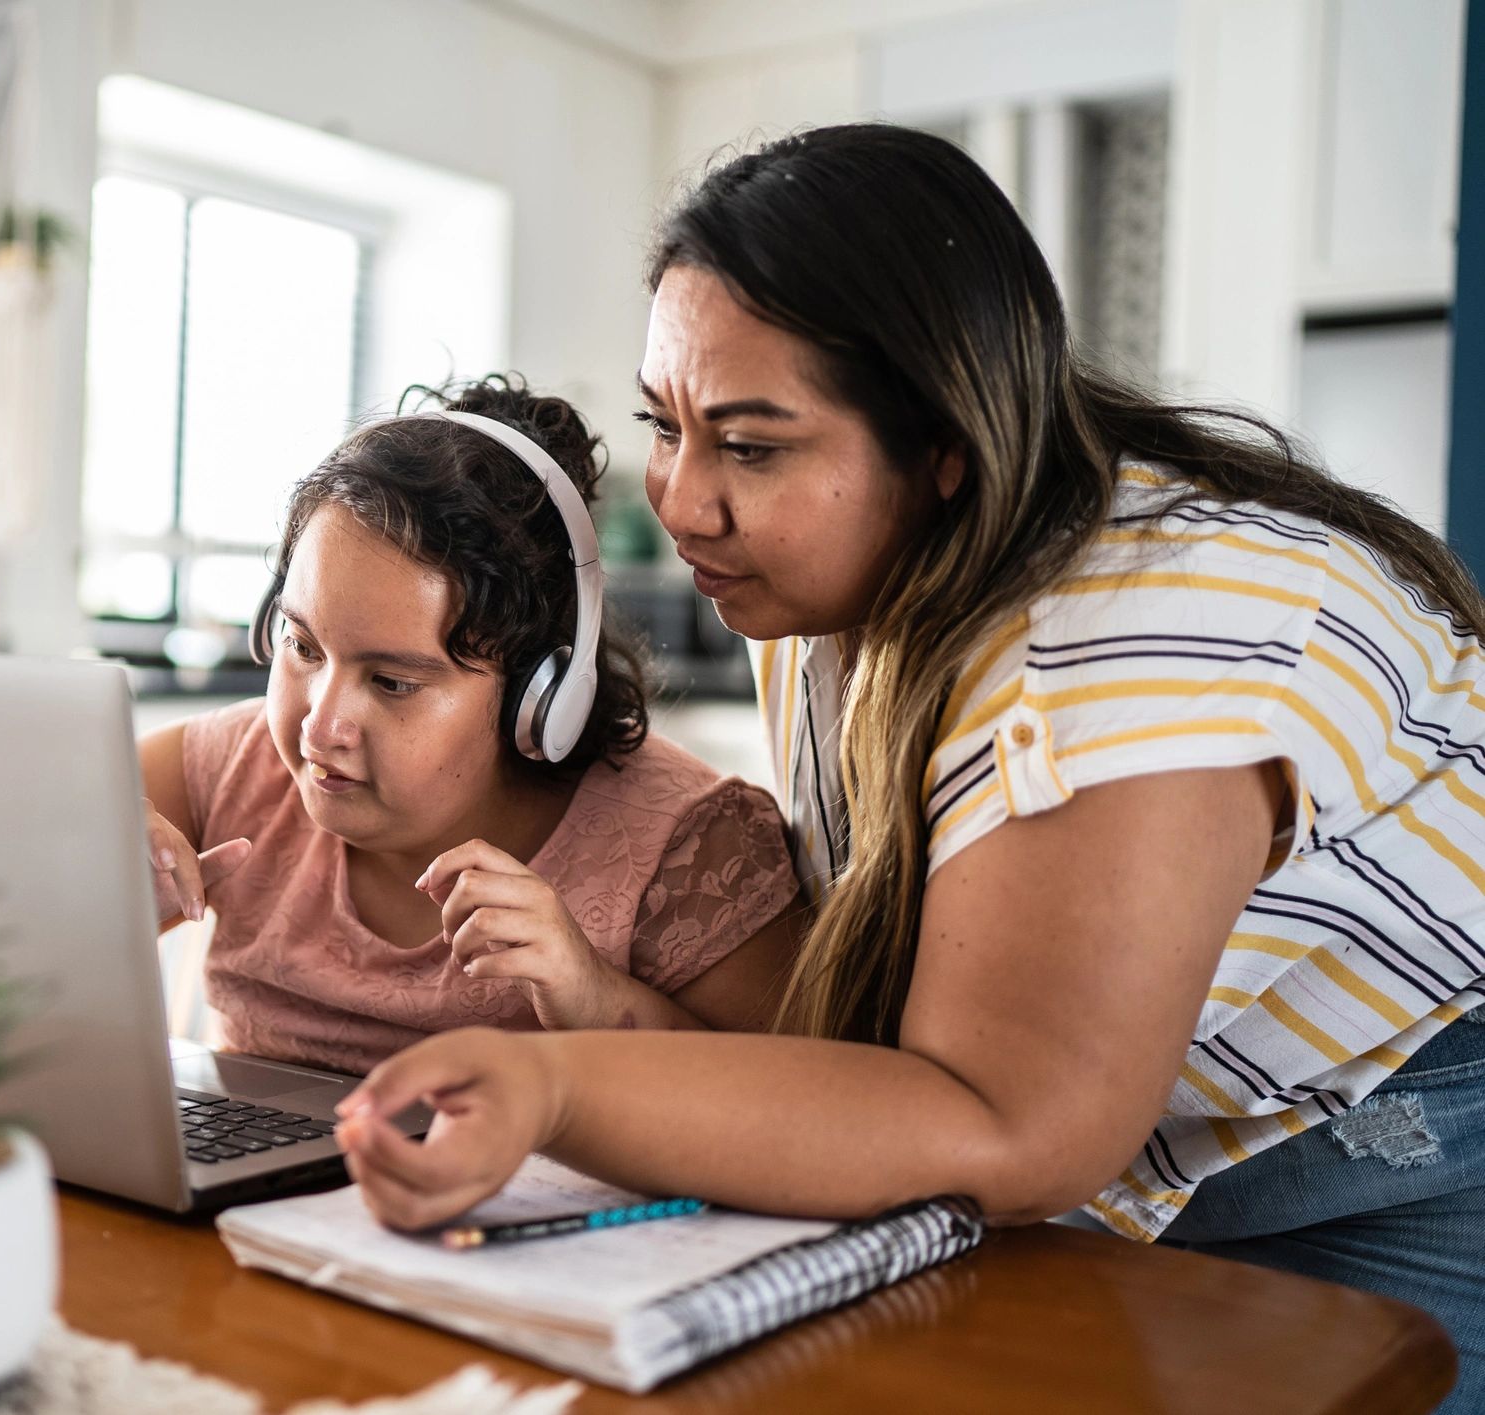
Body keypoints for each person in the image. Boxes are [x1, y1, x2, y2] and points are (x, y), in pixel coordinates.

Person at [331, 127, 1485, 1408]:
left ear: (944, 443)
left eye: (754, 446)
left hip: (1405, 1148)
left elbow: (1006, 1124)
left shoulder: (1137, 637)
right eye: (666, 424)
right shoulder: (825, 579)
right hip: (1151, 1149)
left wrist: (556, 1084)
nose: (686, 500)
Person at [138, 376, 801, 1078]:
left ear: (539, 697)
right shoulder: (232, 766)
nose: (321, 726)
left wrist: (594, 996)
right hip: (246, 1189)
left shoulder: (696, 848)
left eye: (392, 681)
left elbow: (789, 1106)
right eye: (303, 646)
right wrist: (88, 902)